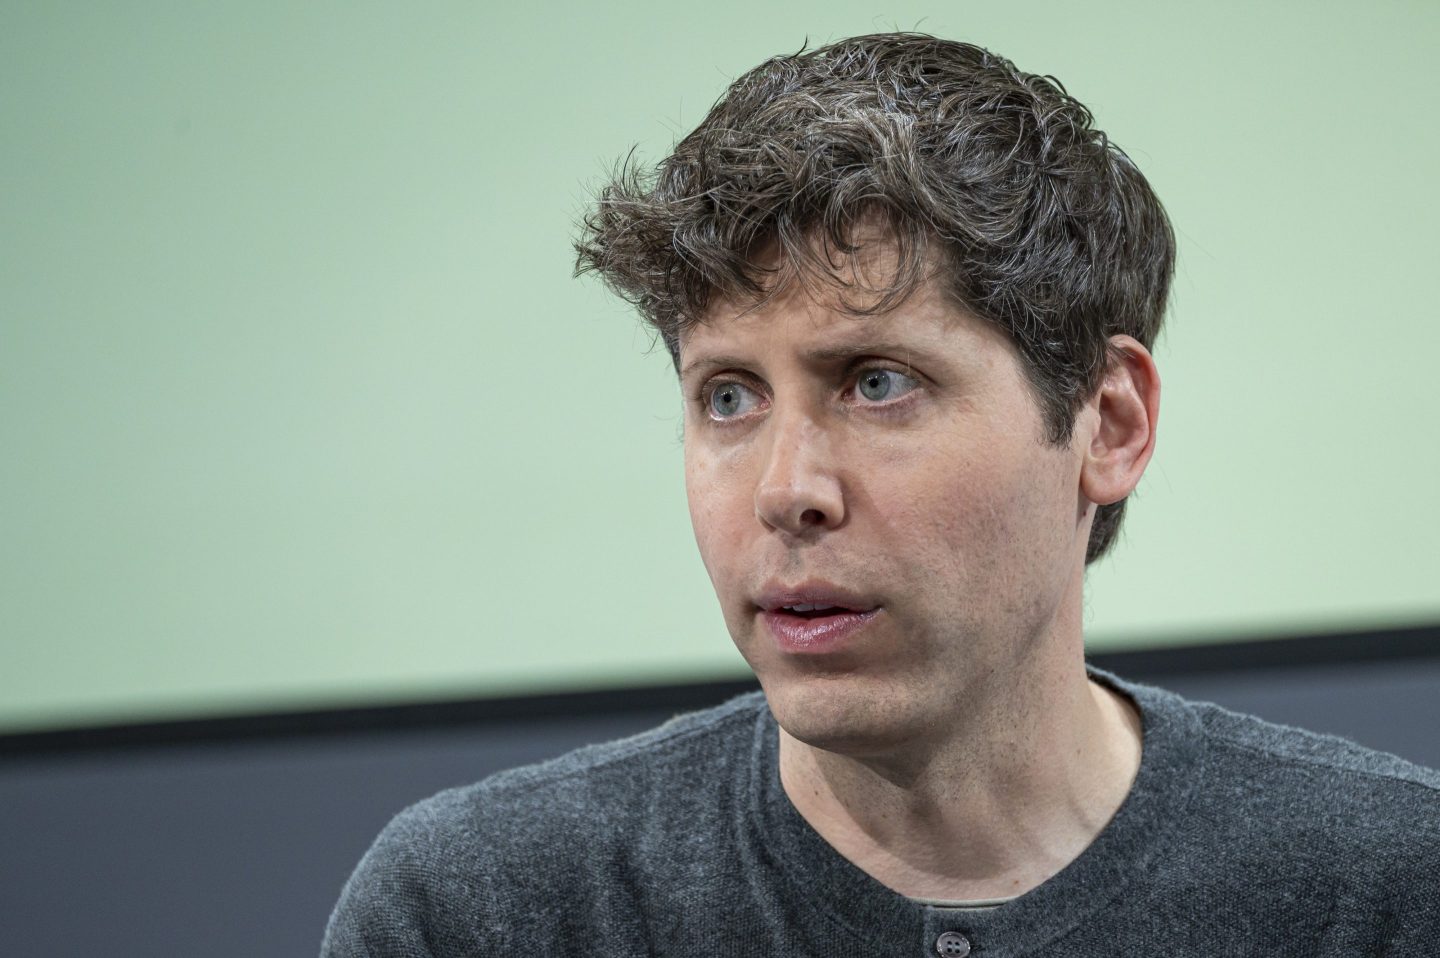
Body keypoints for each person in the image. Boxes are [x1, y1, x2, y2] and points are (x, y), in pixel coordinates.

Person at [322, 33, 1439, 956]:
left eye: (877, 383)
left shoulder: (1390, 892)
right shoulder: (483, 913)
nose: (786, 490)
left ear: (1109, 424)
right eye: (728, 397)